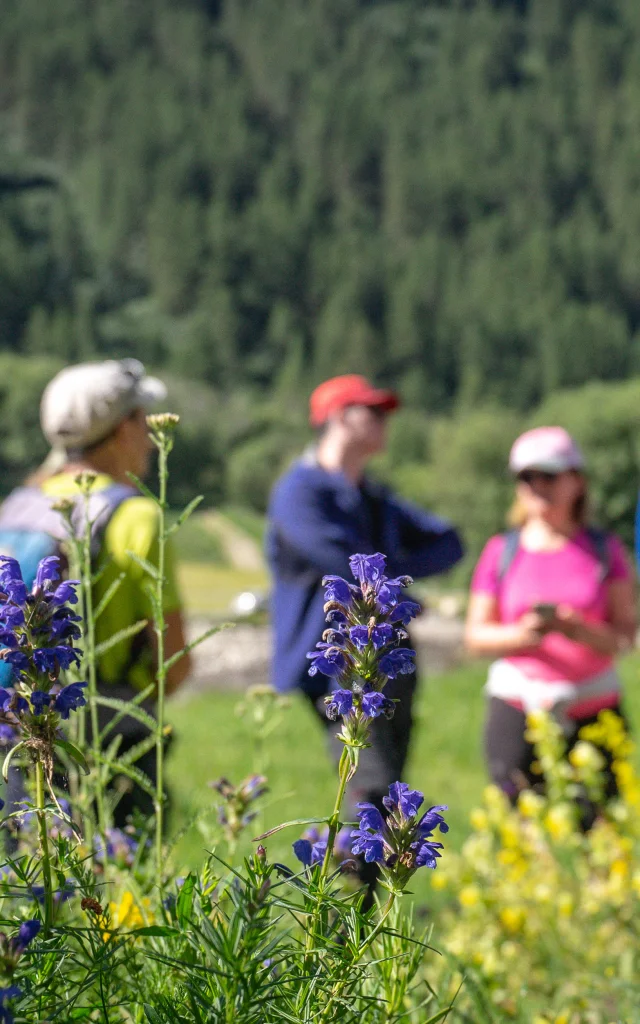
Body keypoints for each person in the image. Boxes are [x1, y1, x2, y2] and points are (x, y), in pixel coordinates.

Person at [0, 358, 191, 827]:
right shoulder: (137, 517)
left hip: (17, 726)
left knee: (30, 874)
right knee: (116, 886)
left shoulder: (18, 505)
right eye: (143, 417)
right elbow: (177, 661)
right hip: (112, 741)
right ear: (124, 427)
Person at [266, 374, 464, 818]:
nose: (384, 421)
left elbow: (449, 541)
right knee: (370, 790)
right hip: (335, 663)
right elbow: (345, 563)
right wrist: (394, 581)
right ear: (339, 418)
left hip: (390, 656)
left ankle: (371, 885)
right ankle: (351, 876)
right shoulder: (300, 492)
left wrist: (396, 581)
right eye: (372, 412)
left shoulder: (373, 496)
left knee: (391, 787)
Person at [465, 426, 636, 808]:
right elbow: (476, 636)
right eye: (527, 477)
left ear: (577, 481)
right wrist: (523, 635)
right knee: (520, 826)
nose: (537, 486)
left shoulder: (604, 550)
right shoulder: (500, 550)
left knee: (603, 827)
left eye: (549, 475)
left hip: (594, 705)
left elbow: (625, 637)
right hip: (517, 707)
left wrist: (575, 628)